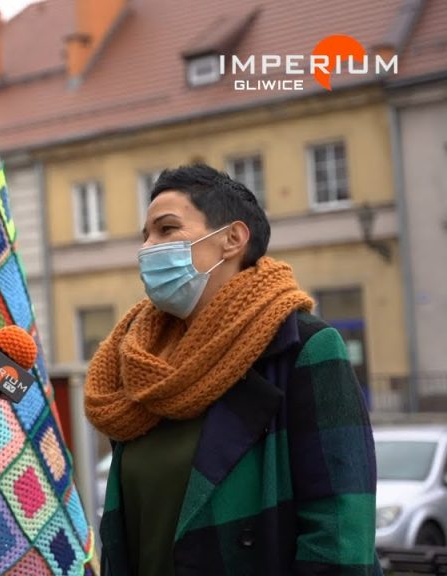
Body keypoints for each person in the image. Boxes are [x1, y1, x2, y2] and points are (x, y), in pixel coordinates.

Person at [84, 164, 380, 575]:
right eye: (145, 235)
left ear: (232, 240)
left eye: (166, 230)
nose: (148, 247)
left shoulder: (301, 348)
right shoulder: (142, 365)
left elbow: (340, 530)